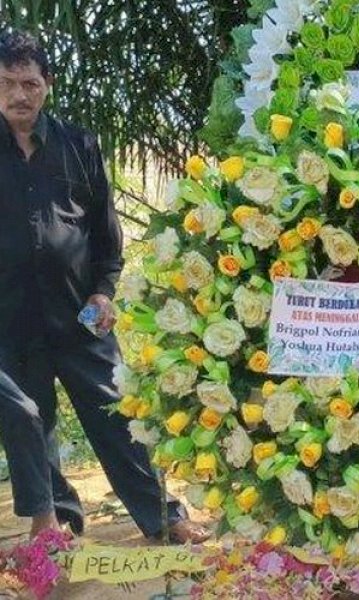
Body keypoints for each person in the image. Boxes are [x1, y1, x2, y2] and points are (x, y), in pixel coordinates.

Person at [0, 30, 209, 543]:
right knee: (33, 423)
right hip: (11, 318)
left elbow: (105, 237)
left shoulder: (80, 146)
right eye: (6, 83)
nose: (19, 95)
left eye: (29, 82)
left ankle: (165, 516)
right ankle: (57, 528)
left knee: (118, 414)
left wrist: (103, 292)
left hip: (79, 315)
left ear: (48, 83)